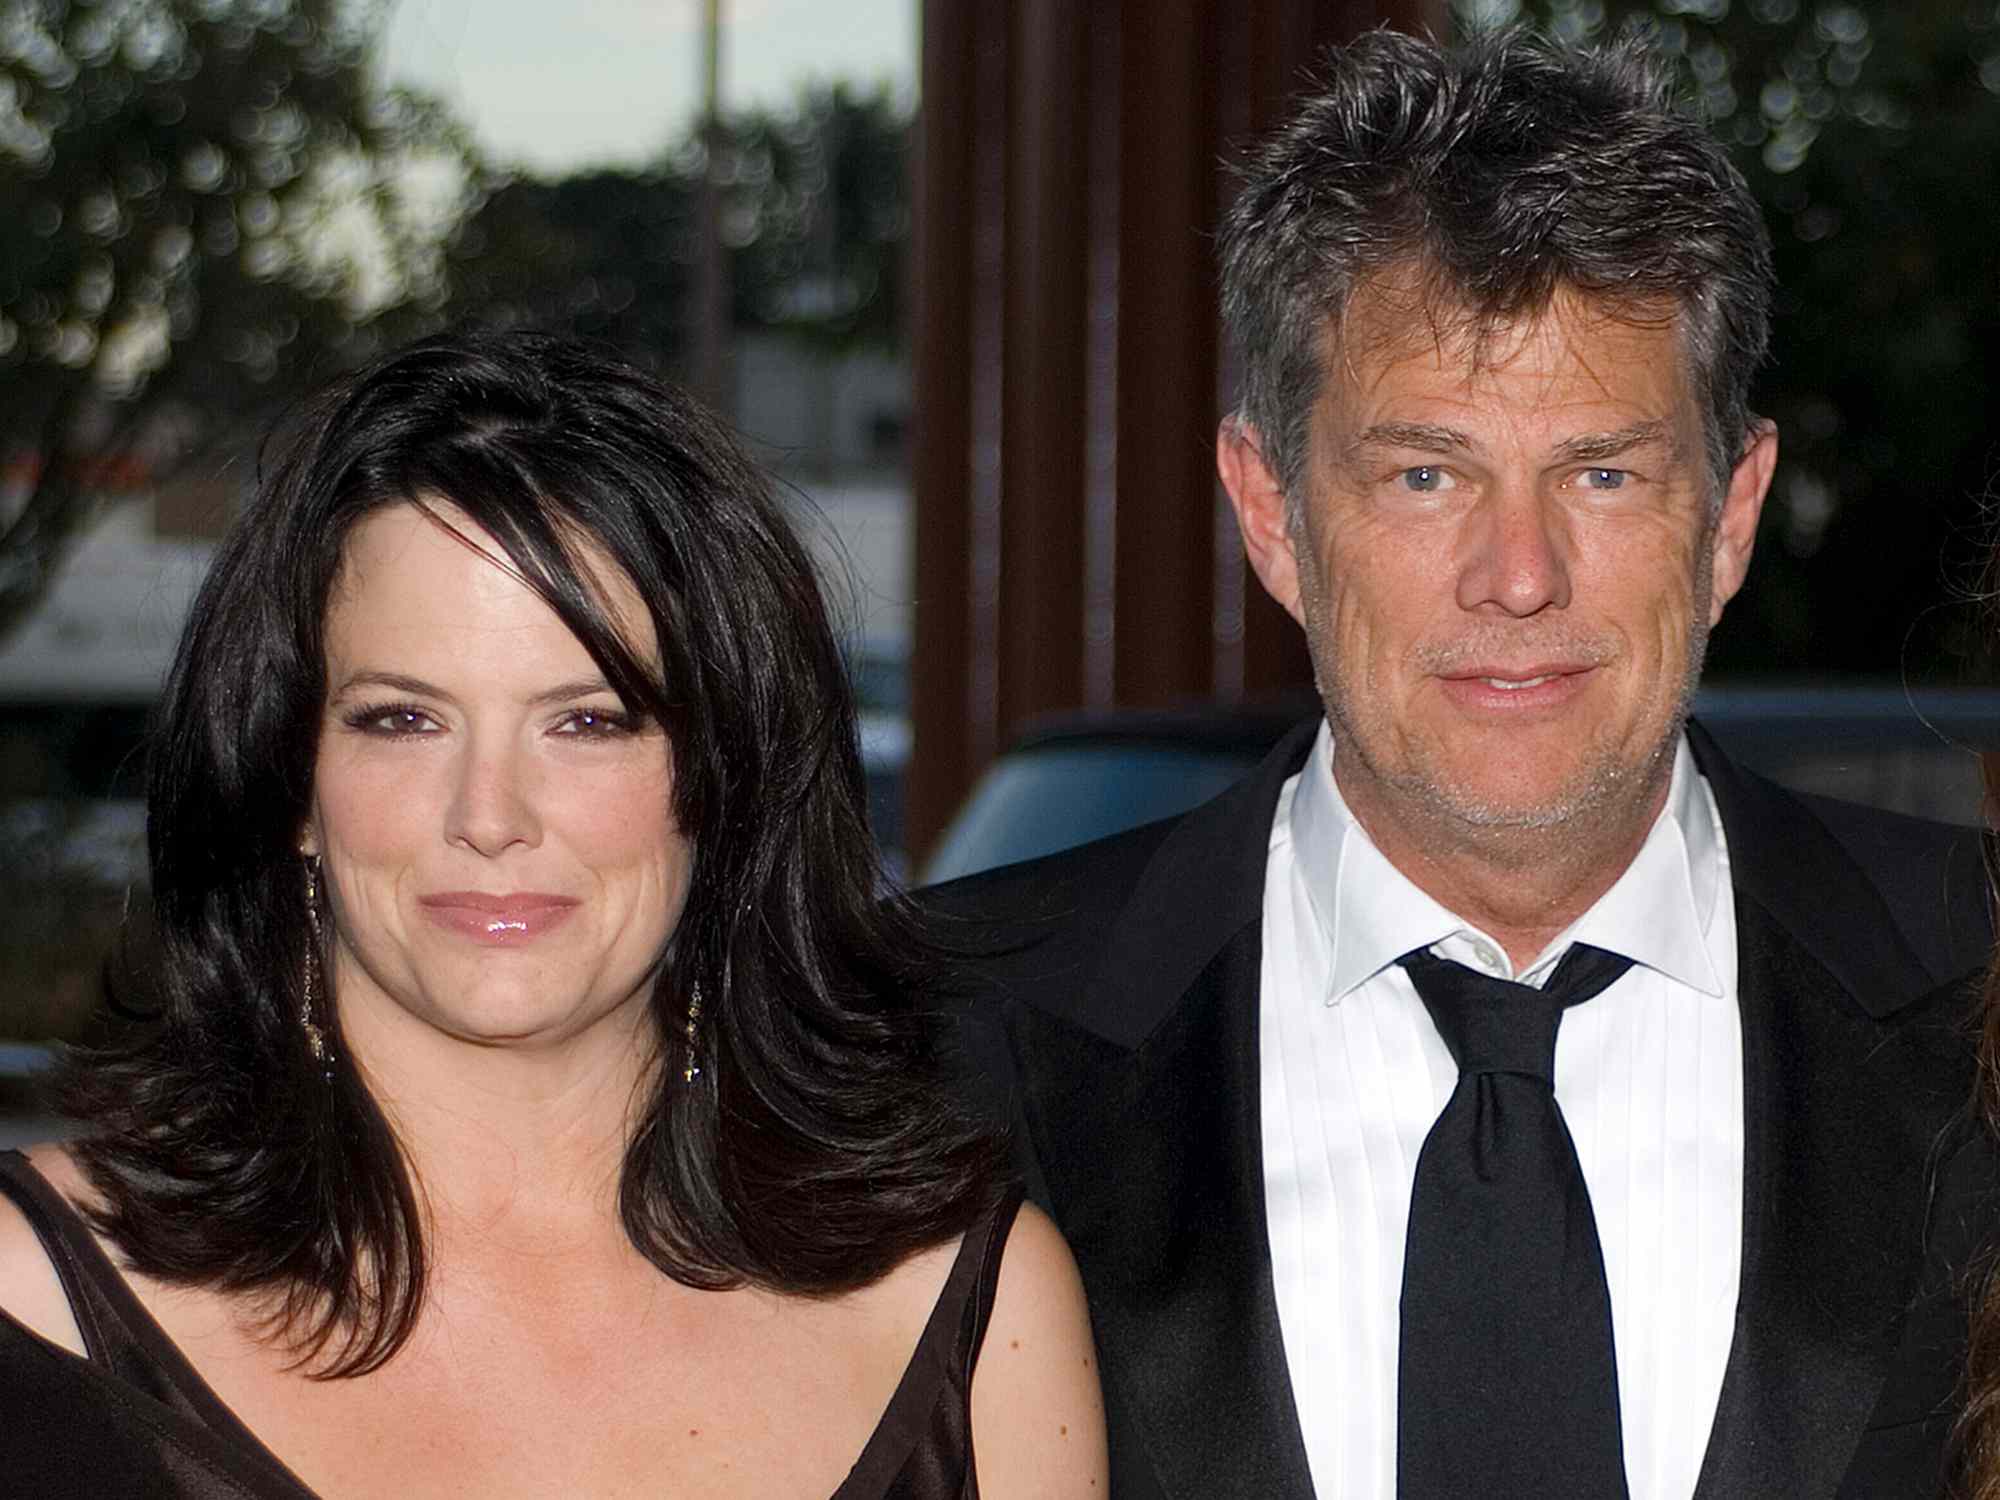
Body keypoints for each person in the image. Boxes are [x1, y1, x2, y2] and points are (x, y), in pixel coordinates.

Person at [928, 27, 1995, 1500]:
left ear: (1731, 514)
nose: (1518, 574)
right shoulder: (927, 1051)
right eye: (1426, 473)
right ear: (1274, 510)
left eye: (1603, 472)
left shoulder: (1986, 986)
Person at [0, 331, 1107, 1498]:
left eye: (586, 720)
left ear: (720, 780)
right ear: (290, 784)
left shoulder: (973, 1314)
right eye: (401, 719)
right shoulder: (28, 1304)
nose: (490, 814)